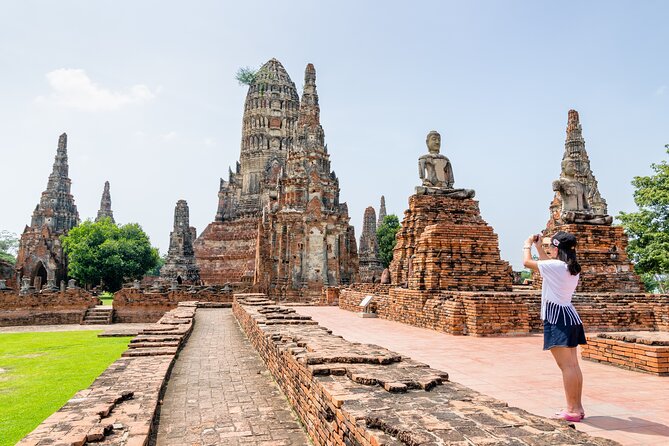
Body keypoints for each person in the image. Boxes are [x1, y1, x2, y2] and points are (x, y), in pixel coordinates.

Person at [523, 231, 587, 422]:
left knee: (566, 366)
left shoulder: (556, 266)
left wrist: (527, 244)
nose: (549, 249)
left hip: (557, 317)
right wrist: (539, 247)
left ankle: (572, 410)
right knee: (573, 365)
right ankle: (577, 407)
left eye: (551, 246)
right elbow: (546, 264)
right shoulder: (569, 267)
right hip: (570, 316)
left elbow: (527, 263)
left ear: (557, 248)